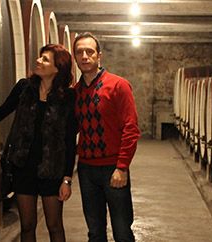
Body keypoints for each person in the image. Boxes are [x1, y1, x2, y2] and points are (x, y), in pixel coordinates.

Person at [0, 44, 77, 242]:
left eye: (45, 59)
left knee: (54, 226)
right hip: (23, 167)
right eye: (40, 57)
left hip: (52, 170)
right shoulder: (24, 88)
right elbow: (0, 113)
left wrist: (67, 179)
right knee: (27, 226)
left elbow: (70, 141)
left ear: (57, 68)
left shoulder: (68, 97)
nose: (38, 61)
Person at [72, 32, 140, 242]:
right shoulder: (76, 92)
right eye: (79, 52)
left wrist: (122, 167)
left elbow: (131, 128)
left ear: (99, 55)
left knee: (122, 231)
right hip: (86, 169)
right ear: (75, 57)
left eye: (89, 51)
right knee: (95, 231)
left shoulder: (118, 85)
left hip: (113, 168)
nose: (85, 56)